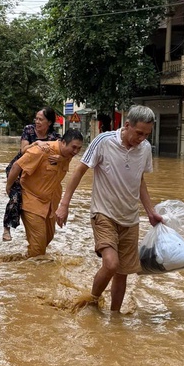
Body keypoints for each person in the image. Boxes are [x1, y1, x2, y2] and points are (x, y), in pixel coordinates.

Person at [55, 105, 164, 312]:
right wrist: (64, 204)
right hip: (103, 213)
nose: (142, 138)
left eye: (147, 134)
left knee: (122, 272)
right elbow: (79, 171)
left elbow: (139, 180)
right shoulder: (104, 141)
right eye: (139, 133)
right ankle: (93, 300)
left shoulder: (145, 148)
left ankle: (115, 317)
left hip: (130, 218)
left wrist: (150, 212)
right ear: (127, 125)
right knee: (112, 264)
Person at [6, 128, 84, 257]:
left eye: (79, 149)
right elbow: (17, 166)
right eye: (74, 147)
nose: (76, 152)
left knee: (48, 238)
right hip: (32, 199)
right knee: (38, 247)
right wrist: (9, 187)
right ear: (63, 142)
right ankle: (34, 275)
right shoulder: (42, 150)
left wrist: (63, 160)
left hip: (51, 203)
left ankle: (22, 263)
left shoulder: (67, 155)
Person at [2, 107, 60, 242]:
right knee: (16, 197)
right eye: (36, 118)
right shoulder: (29, 129)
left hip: (36, 174)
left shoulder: (55, 137)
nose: (37, 122)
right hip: (18, 169)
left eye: (41, 119)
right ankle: (7, 227)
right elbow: (23, 151)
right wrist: (37, 143)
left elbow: (62, 153)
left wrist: (60, 158)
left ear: (49, 122)